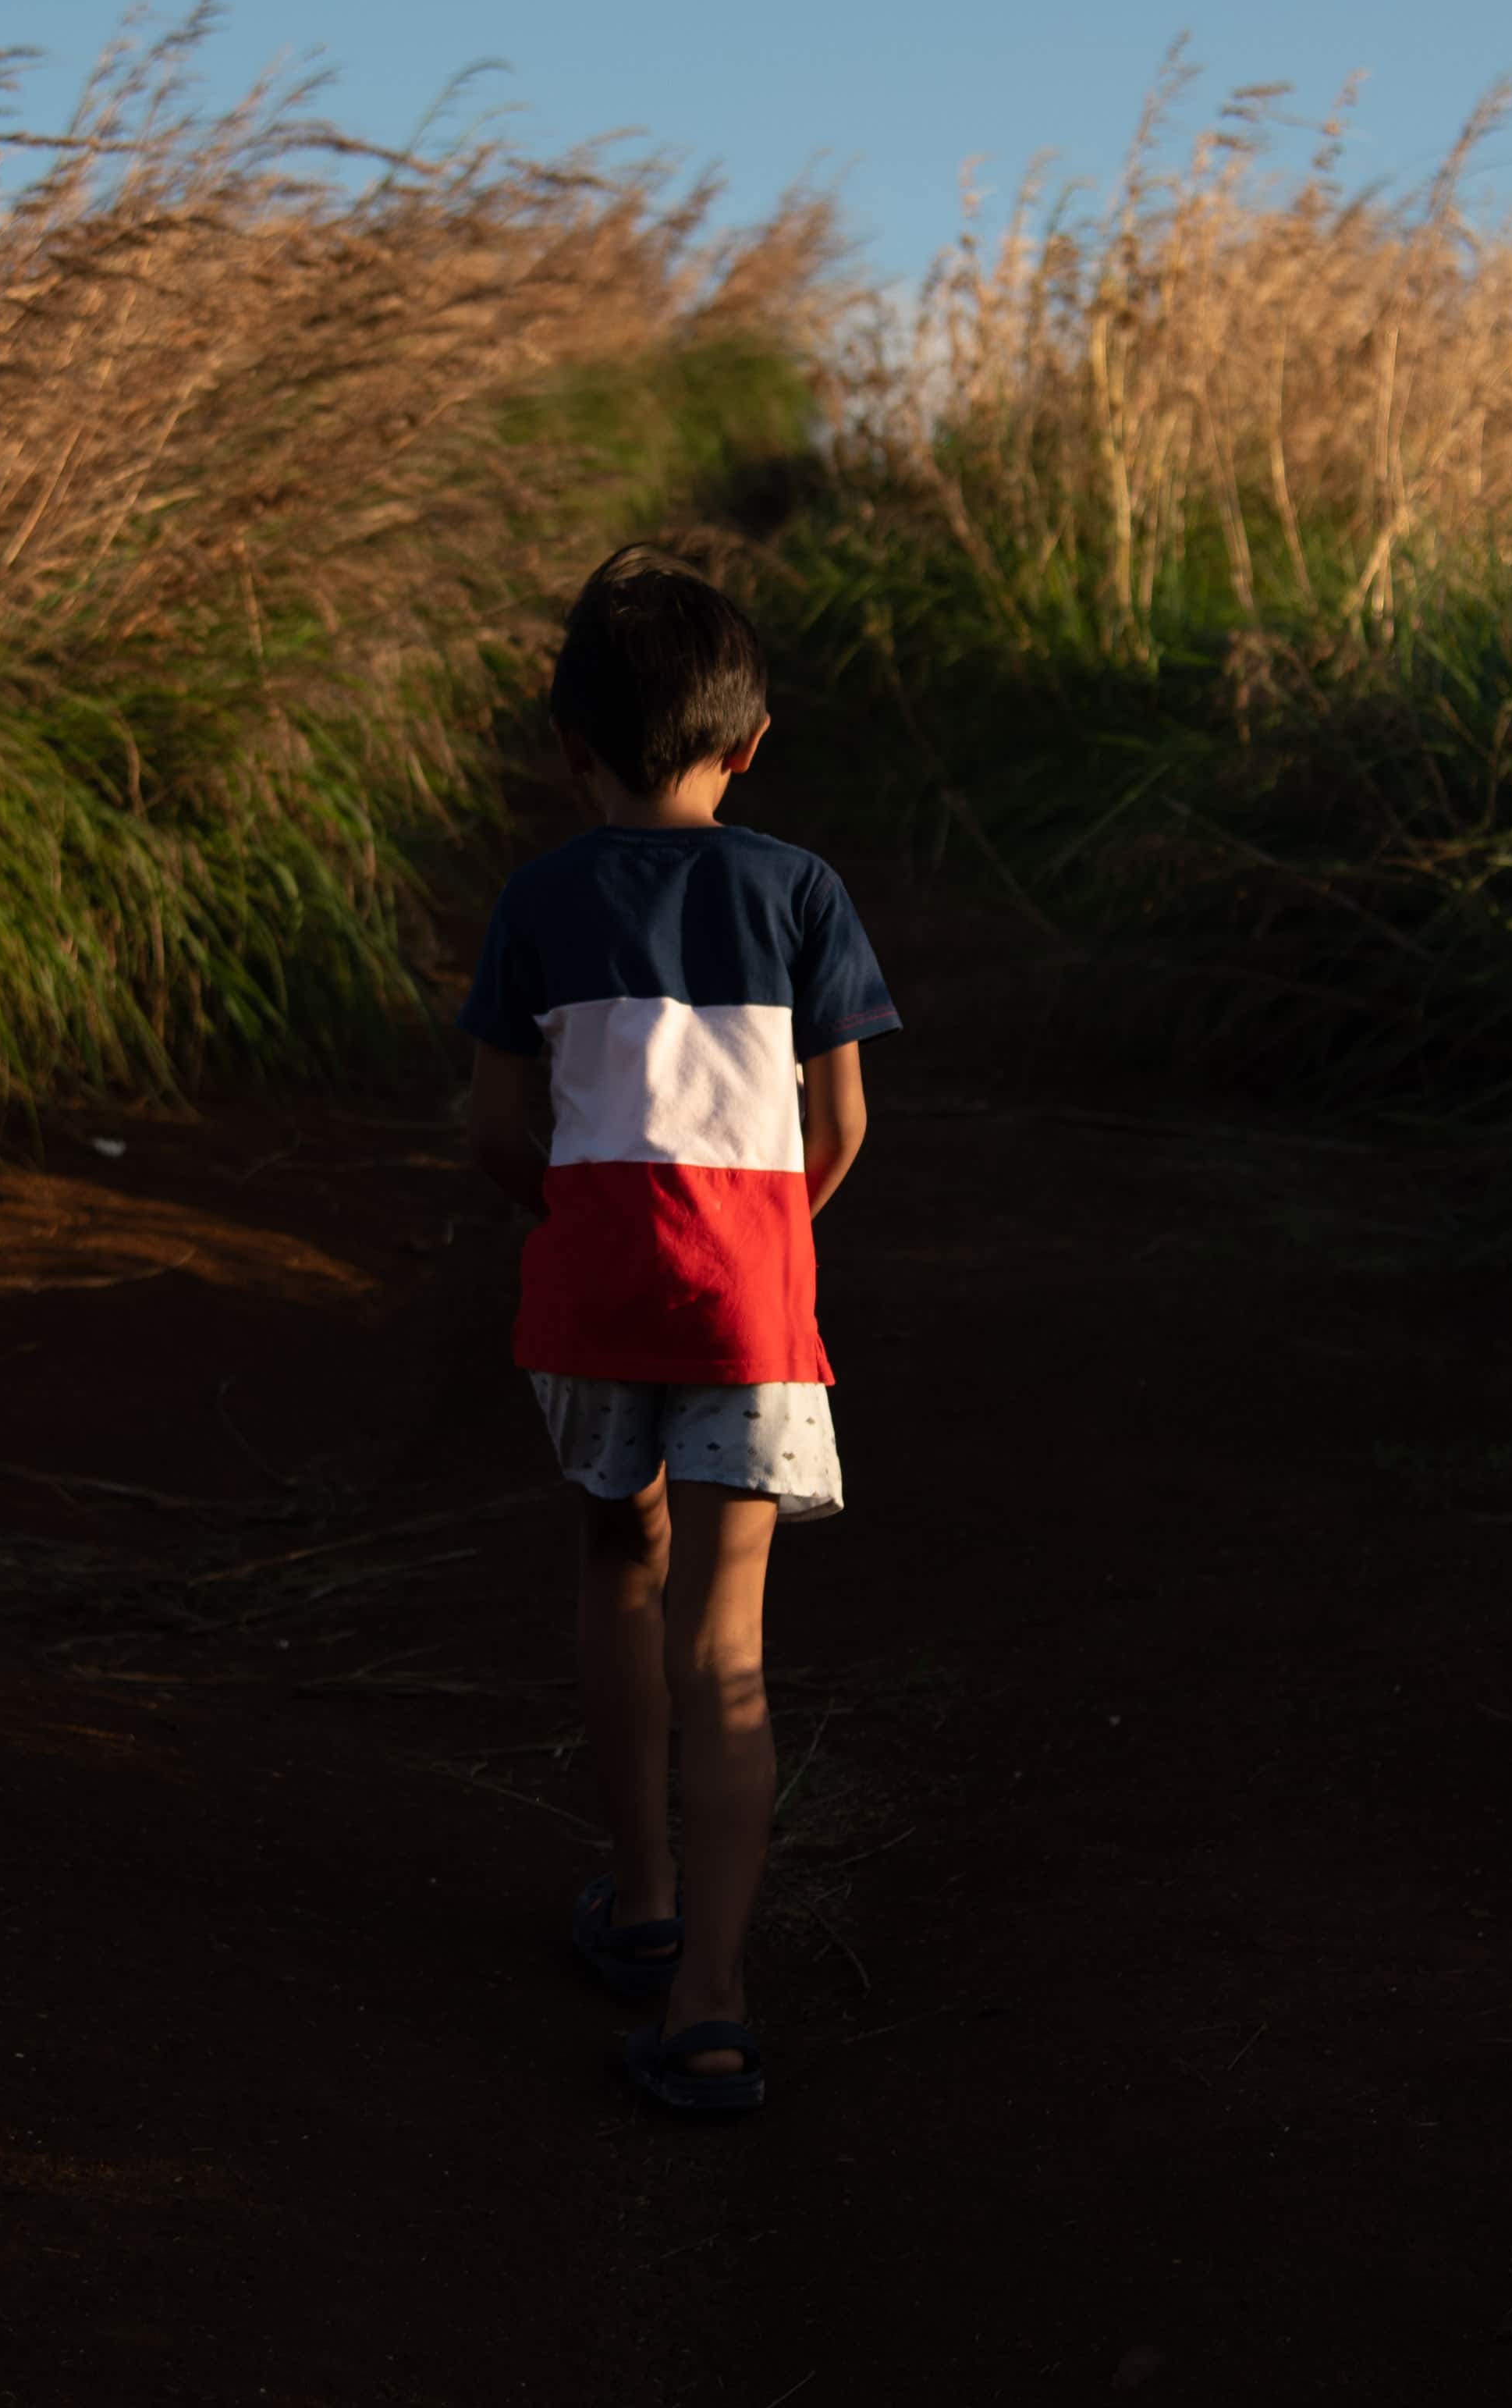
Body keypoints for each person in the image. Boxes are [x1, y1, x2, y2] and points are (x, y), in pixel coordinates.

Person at [459, 547, 895, 2117]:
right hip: (751, 1311)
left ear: (566, 745)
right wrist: (764, 1240)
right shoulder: (799, 892)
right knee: (729, 1649)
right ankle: (710, 2005)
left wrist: (574, 1224)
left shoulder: (536, 900)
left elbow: (497, 1127)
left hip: (591, 1298)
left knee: (611, 1566)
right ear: (751, 742)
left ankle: (638, 1902)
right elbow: (837, 1124)